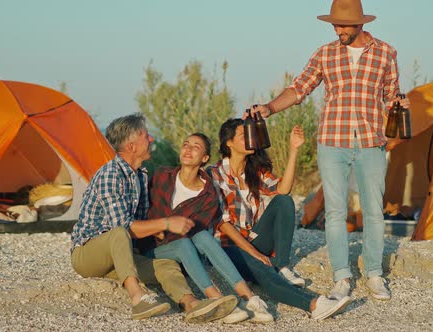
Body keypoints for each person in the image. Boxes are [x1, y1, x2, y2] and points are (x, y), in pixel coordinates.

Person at [250, 0, 410, 301]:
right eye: (335, 25)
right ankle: (342, 276)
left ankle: (374, 273)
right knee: (335, 210)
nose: (338, 30)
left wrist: (400, 106)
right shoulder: (325, 53)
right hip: (332, 140)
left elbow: (391, 96)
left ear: (361, 24)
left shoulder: (386, 52)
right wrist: (269, 108)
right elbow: (300, 89)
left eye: (343, 25)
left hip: (371, 139)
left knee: (374, 209)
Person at [70, 113, 236, 322]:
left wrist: (161, 232)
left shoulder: (140, 175)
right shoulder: (111, 174)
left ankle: (192, 305)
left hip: (121, 257)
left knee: (167, 264)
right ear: (131, 146)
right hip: (88, 255)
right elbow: (124, 227)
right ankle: (138, 298)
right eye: (146, 136)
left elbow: (143, 222)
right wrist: (167, 223)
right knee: (119, 232)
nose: (151, 140)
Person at [207, 118, 352, 320]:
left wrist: (294, 150)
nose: (250, 139)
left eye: (250, 135)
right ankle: (313, 304)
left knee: (284, 201)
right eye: (243, 135)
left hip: (253, 239)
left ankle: (282, 266)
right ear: (228, 143)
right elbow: (222, 224)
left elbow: (283, 189)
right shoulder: (214, 174)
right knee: (264, 271)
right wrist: (253, 253)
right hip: (228, 248)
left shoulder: (254, 171)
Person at [138, 133, 273, 324]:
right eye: (185, 144)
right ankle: (215, 299)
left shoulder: (208, 194)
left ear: (205, 158)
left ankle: (249, 298)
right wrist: (158, 227)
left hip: (186, 253)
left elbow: (193, 233)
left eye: (195, 147)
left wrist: (168, 227)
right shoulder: (162, 175)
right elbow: (142, 211)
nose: (188, 149)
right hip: (152, 248)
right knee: (185, 242)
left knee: (201, 236)